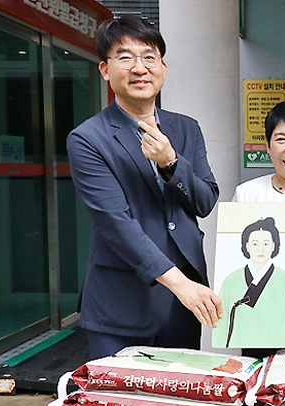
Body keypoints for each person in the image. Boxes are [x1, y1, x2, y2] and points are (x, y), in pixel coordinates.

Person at [67, 15, 222, 360]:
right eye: (125, 57)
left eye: (149, 57)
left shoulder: (186, 129)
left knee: (181, 387)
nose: (139, 68)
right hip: (120, 304)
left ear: (162, 67)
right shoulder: (88, 139)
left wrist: (171, 163)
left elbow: (205, 200)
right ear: (105, 70)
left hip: (181, 307)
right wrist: (182, 285)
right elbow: (116, 223)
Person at [214, 217, 285, 348]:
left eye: (266, 244)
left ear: (274, 246)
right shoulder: (230, 281)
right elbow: (221, 327)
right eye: (255, 244)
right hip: (239, 351)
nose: (260, 249)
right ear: (247, 246)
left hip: (280, 351)